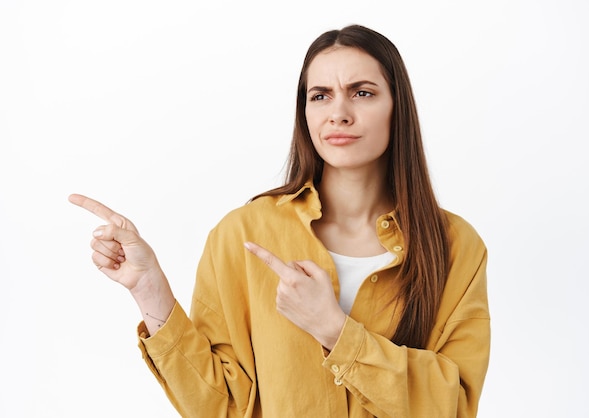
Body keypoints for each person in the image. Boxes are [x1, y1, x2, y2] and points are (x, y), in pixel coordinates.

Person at [69, 24, 490, 418]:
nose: (338, 113)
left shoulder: (454, 244)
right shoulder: (243, 233)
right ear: (304, 112)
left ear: (397, 106)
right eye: (320, 95)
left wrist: (334, 329)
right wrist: (150, 291)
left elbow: (452, 405)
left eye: (362, 93)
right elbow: (220, 407)